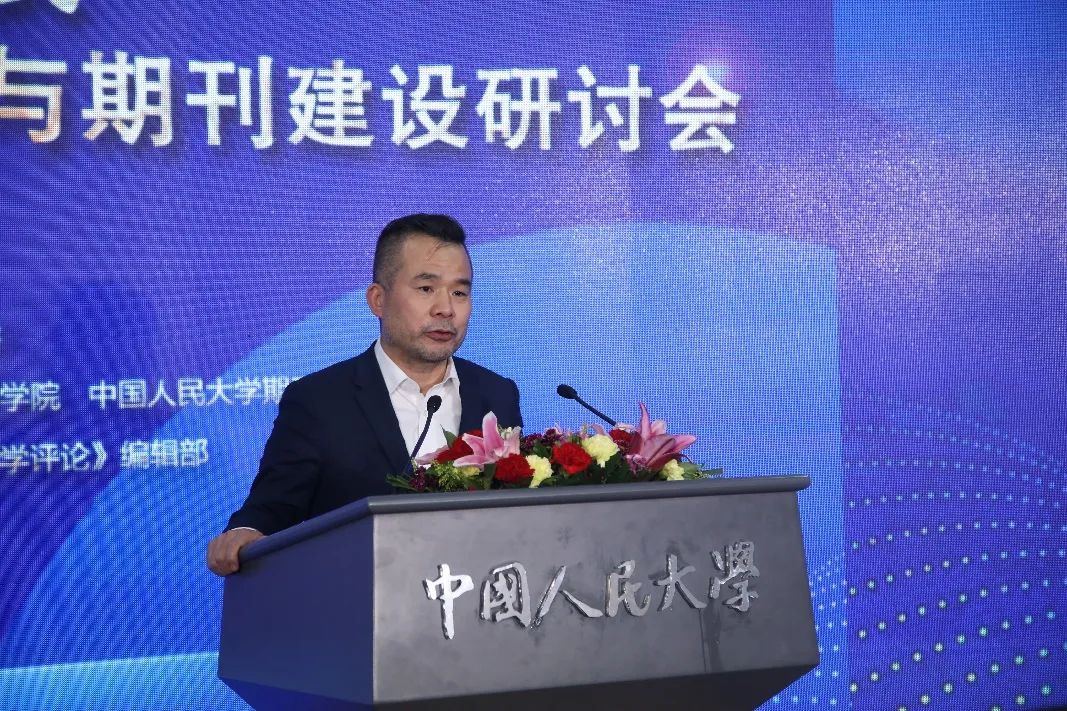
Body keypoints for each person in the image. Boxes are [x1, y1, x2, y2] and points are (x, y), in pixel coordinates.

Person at [206, 214, 523, 576]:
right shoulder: (317, 401)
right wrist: (245, 533)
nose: (445, 308)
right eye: (425, 288)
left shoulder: (497, 394)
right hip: (355, 597)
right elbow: (271, 509)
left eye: (459, 292)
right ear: (378, 299)